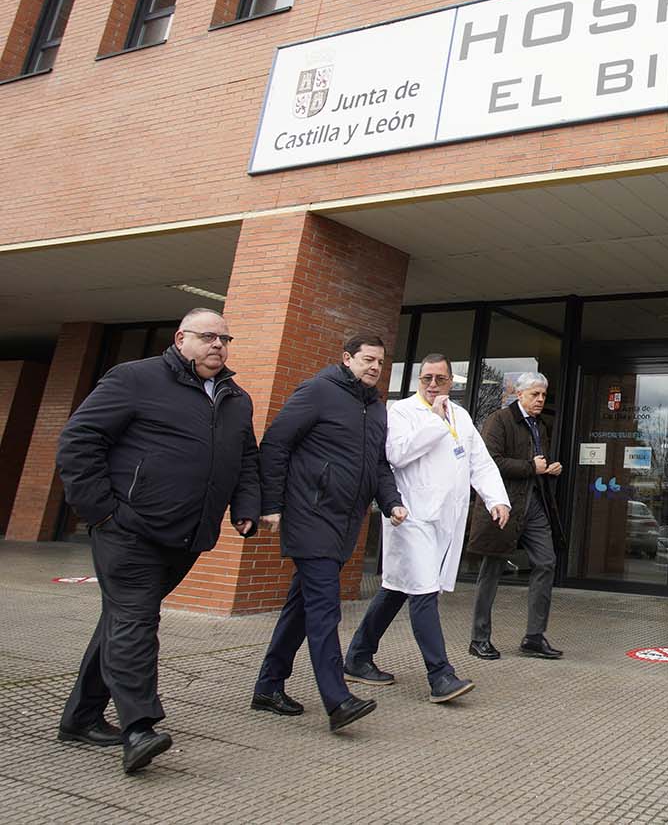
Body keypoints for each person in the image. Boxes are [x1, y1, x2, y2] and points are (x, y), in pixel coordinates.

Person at [55, 309, 260, 774]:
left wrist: (244, 507)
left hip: (188, 535)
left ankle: (81, 718)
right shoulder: (135, 379)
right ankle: (139, 728)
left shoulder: (235, 398)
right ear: (181, 338)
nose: (218, 346)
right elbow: (78, 440)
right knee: (136, 619)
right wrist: (102, 511)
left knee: (121, 621)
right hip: (128, 531)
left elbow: (246, 458)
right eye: (208, 337)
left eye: (224, 338)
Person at [252, 334, 407, 732]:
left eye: (379, 362)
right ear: (347, 359)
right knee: (324, 607)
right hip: (310, 514)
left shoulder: (375, 409)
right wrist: (271, 504)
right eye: (367, 360)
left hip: (345, 521)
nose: (374, 367)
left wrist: (391, 503)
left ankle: (268, 686)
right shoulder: (318, 391)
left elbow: (378, 465)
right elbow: (275, 444)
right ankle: (337, 699)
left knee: (301, 606)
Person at [343, 354, 510, 703]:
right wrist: (434, 422)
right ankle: (440, 675)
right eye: (427, 379)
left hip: (445, 520)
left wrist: (497, 499)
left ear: (452, 382)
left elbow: (478, 461)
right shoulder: (401, 412)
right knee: (423, 590)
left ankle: (358, 657)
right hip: (411, 515)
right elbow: (397, 454)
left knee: (398, 587)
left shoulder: (461, 415)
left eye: (441, 379)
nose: (433, 385)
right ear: (418, 380)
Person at [469, 371, 565, 659]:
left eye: (543, 395)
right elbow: (489, 462)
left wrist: (548, 469)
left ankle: (534, 638)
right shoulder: (500, 420)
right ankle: (479, 638)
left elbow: (536, 463)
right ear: (519, 394)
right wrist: (530, 467)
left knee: (546, 562)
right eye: (535, 394)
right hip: (504, 505)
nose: (540, 399)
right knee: (492, 568)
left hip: (534, 505)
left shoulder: (540, 425)